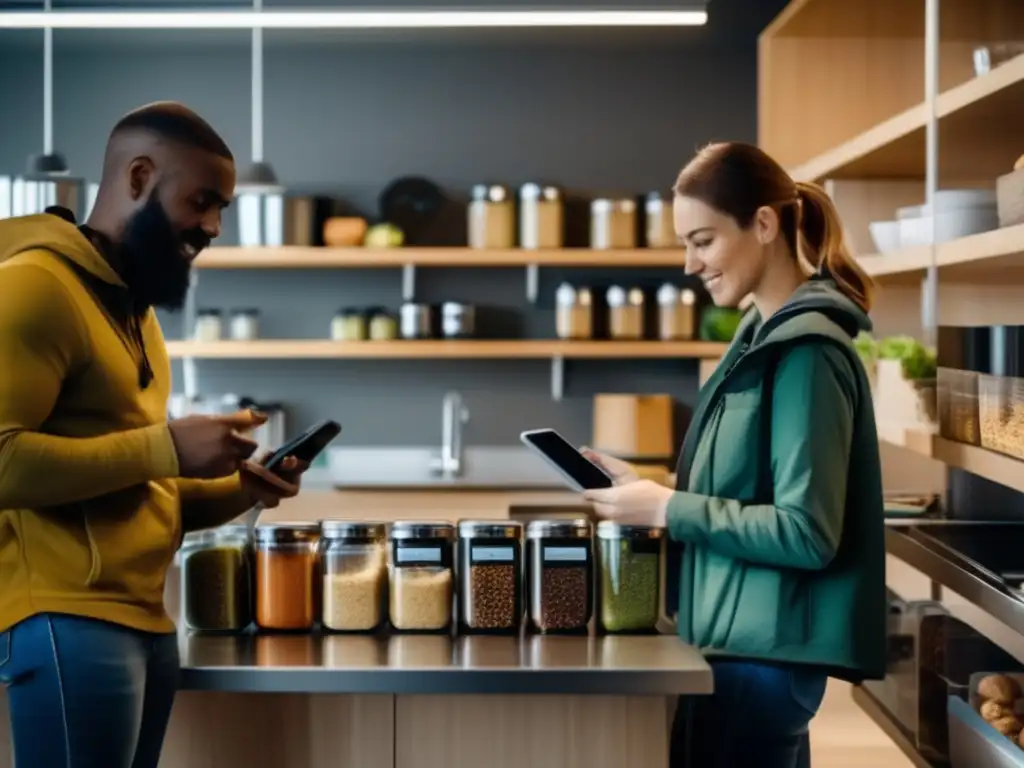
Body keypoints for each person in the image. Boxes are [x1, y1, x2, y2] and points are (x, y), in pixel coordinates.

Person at [0, 102, 309, 768]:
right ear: (139, 177)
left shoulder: (134, 313)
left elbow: (137, 491)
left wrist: (241, 489)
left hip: (143, 620)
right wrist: (168, 448)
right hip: (65, 619)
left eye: (221, 208)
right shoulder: (33, 288)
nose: (213, 226)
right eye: (202, 201)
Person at [581, 141, 886, 768]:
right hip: (730, 650)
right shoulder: (758, 339)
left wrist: (668, 508)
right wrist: (652, 490)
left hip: (763, 664)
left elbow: (807, 533)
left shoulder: (807, 354)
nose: (690, 265)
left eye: (704, 240)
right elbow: (747, 491)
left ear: (766, 224)